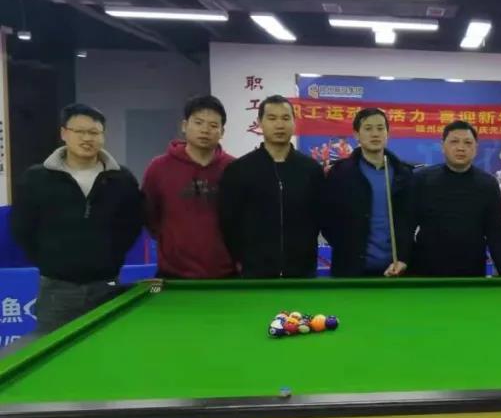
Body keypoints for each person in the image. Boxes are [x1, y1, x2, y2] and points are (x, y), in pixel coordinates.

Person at [10, 103, 142, 333]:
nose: (87, 138)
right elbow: (22, 228)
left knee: (107, 347)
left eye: (94, 132)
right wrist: (50, 261)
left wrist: (109, 258)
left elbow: (131, 226)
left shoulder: (121, 179)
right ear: (64, 133)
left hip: (106, 286)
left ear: (103, 136)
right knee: (54, 350)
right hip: (56, 290)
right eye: (79, 131)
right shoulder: (36, 178)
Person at [218, 94, 324, 278]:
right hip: (255, 272)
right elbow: (229, 222)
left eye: (285, 118)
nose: (279, 125)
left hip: (302, 272)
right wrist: (242, 259)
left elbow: (320, 217)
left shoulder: (311, 169)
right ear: (260, 122)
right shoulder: (239, 169)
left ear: (294, 122)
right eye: (272, 118)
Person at [142, 95, 236, 279]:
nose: (205, 130)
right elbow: (149, 215)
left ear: (222, 131)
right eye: (198, 123)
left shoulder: (234, 168)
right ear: (184, 126)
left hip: (228, 275)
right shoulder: (159, 167)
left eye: (213, 125)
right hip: (172, 275)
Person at [410, 120, 501, 276]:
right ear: (443, 146)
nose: (461, 148)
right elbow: (406, 224)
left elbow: (495, 231)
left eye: (467, 143)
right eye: (454, 142)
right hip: (426, 269)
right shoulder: (422, 179)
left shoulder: (488, 184)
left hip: (471, 270)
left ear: (476, 148)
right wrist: (402, 260)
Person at [321, 108, 413, 277]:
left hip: (395, 270)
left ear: (388, 133)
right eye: (368, 128)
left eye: (380, 128)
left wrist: (403, 257)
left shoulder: (403, 174)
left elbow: (409, 221)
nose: (375, 134)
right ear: (356, 135)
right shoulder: (341, 173)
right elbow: (327, 219)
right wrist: (346, 249)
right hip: (350, 271)